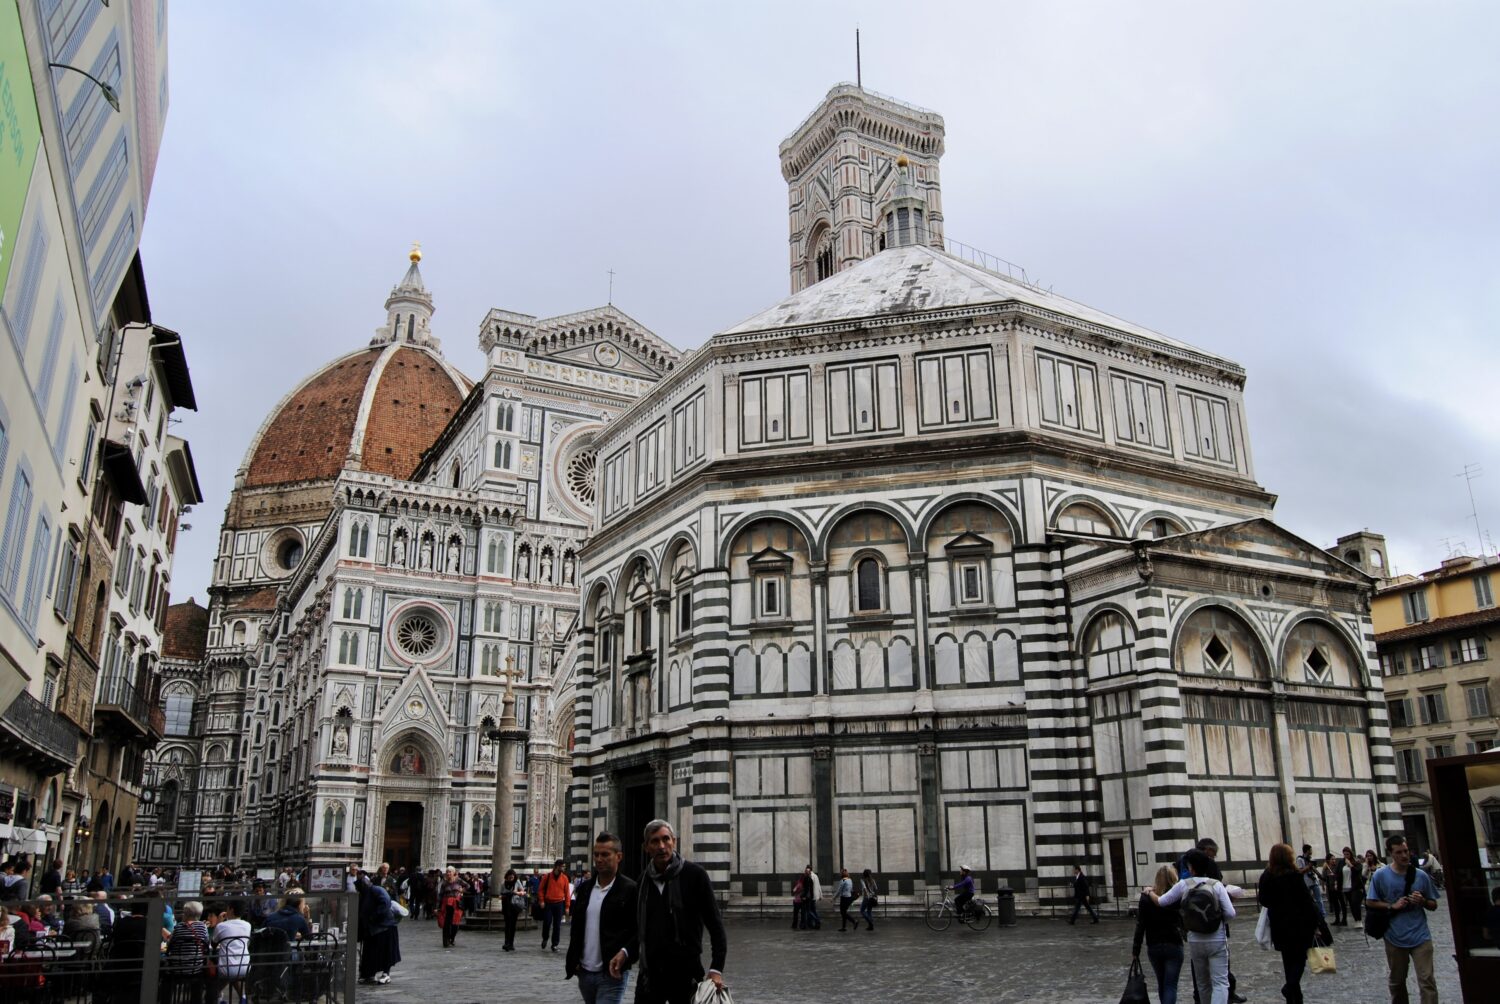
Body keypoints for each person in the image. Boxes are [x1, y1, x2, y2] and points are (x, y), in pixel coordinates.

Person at [609, 819, 726, 1004]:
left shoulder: (695, 876)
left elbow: (715, 925)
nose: (661, 846)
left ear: (674, 841)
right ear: (646, 847)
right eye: (655, 841)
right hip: (650, 975)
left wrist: (716, 969)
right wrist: (624, 952)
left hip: (686, 974)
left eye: (666, 839)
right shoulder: (643, 882)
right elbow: (639, 930)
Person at [1150, 849, 1236, 1004]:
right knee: (1220, 982)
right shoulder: (1216, 885)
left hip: (1195, 940)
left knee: (1202, 983)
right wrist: (1217, 921)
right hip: (1216, 939)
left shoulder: (1184, 885)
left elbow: (1162, 902)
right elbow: (1230, 913)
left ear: (1191, 867)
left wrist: (1150, 893)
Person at [1366, 833, 1439, 1004]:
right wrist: (1392, 906)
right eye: (1399, 852)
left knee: (1427, 980)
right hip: (1394, 936)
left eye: (1406, 851)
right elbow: (1370, 901)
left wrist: (1422, 901)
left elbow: (1433, 904)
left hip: (1420, 935)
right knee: (1397, 982)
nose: (1404, 855)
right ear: (1391, 854)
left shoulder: (1421, 876)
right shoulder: (1380, 875)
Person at [566, 832, 639, 1004]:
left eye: (605, 854)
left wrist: (625, 953)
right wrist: (574, 960)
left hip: (612, 973)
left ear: (618, 856)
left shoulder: (630, 890)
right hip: (585, 972)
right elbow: (577, 928)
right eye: (596, 855)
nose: (599, 859)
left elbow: (638, 931)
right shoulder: (584, 889)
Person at [1258, 843, 1321, 1004]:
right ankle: (1290, 987)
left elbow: (1263, 900)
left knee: (1288, 961)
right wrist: (1316, 923)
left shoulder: (1267, 875)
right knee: (1300, 959)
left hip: (1279, 924)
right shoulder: (1293, 875)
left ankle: (1294, 998)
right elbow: (1306, 901)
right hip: (1300, 924)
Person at [1134, 865, 1184, 1004]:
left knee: (1161, 983)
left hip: (1154, 945)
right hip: (1173, 943)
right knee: (1170, 985)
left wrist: (1136, 949)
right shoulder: (1176, 896)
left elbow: (1140, 925)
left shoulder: (1145, 898)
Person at [356, 873, 401, 985]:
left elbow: (385, 903)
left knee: (385, 952)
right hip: (373, 929)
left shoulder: (376, 890)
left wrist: (374, 916)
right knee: (371, 953)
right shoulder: (365, 894)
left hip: (384, 927)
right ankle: (369, 974)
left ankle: (386, 974)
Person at [163, 900, 211, 1004]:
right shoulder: (203, 927)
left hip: (177, 969)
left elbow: (170, 945)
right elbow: (207, 944)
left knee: (164, 975)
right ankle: (196, 1000)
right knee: (200, 975)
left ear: (185, 913)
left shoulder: (178, 927)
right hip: (196, 969)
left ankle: (165, 1000)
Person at [211, 899, 252, 1002]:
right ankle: (242, 997)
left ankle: (217, 997)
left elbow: (213, 945)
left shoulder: (221, 926)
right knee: (233, 972)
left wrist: (219, 923)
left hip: (226, 968)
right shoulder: (248, 925)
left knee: (220, 967)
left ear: (231, 910)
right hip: (244, 967)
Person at [539, 859, 573, 952]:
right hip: (548, 903)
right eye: (562, 866)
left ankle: (554, 944)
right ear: (557, 866)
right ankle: (545, 938)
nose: (564, 868)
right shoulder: (547, 876)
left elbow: (567, 893)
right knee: (547, 923)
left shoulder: (565, 878)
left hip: (559, 904)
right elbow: (541, 889)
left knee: (557, 925)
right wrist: (541, 901)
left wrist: (567, 906)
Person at [436, 866, 467, 948]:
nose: (448, 873)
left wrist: (462, 890)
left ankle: (452, 937)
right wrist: (438, 907)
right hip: (446, 904)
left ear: (454, 873)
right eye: (447, 872)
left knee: (455, 923)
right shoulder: (444, 883)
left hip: (456, 903)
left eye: (450, 872)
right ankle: (446, 941)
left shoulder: (458, 880)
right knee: (446, 923)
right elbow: (441, 895)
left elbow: (468, 886)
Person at [499, 868, 524, 951]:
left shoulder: (517, 882)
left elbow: (523, 892)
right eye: (509, 878)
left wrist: (516, 892)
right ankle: (506, 942)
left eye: (512, 878)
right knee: (507, 925)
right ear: (507, 877)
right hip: (506, 905)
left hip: (514, 905)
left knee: (512, 925)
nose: (510, 879)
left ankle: (511, 943)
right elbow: (501, 893)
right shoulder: (504, 884)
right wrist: (502, 896)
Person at [1343, 847, 1365, 923]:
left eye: (1347, 854)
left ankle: (1359, 920)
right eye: (1344, 854)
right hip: (1346, 886)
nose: (1346, 856)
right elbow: (1338, 873)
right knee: (1351, 904)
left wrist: (1350, 865)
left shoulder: (1357, 863)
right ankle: (1356, 920)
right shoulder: (1342, 863)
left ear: (1351, 854)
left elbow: (1357, 872)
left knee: (1355, 902)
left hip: (1356, 886)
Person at [801, 865, 822, 929]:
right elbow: (818, 886)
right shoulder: (815, 876)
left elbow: (807, 888)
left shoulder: (809, 877)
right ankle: (812, 923)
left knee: (809, 910)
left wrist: (804, 896)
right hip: (813, 895)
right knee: (812, 910)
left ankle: (816, 921)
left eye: (806, 870)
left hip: (810, 896)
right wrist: (820, 895)